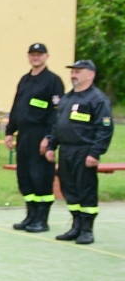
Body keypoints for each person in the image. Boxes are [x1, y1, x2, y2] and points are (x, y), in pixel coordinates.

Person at [44, 60, 114, 245]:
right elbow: (57, 125)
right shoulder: (67, 98)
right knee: (69, 189)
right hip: (66, 151)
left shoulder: (97, 99)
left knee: (86, 190)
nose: (73, 75)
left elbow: (104, 128)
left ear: (90, 74)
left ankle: (87, 230)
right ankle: (76, 225)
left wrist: (95, 153)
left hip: (84, 151)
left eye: (78, 71)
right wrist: (52, 146)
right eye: (72, 71)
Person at [4, 43, 65, 232]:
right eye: (32, 55)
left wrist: (49, 138)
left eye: (39, 55)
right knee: (25, 176)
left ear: (46, 56)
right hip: (24, 136)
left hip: (41, 135)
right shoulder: (25, 80)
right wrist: (9, 131)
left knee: (41, 176)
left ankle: (42, 218)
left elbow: (56, 113)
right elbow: (16, 107)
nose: (35, 58)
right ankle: (30, 215)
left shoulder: (53, 81)